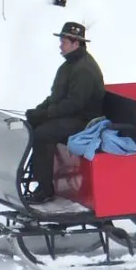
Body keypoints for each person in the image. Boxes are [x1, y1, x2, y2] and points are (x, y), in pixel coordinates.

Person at [24, 21, 106, 203]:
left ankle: (45, 189)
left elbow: (74, 104)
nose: (60, 45)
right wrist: (39, 111)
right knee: (32, 125)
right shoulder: (69, 65)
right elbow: (56, 96)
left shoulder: (84, 69)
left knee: (43, 134)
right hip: (70, 116)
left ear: (76, 43)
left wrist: (46, 114)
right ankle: (35, 176)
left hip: (84, 122)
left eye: (64, 41)